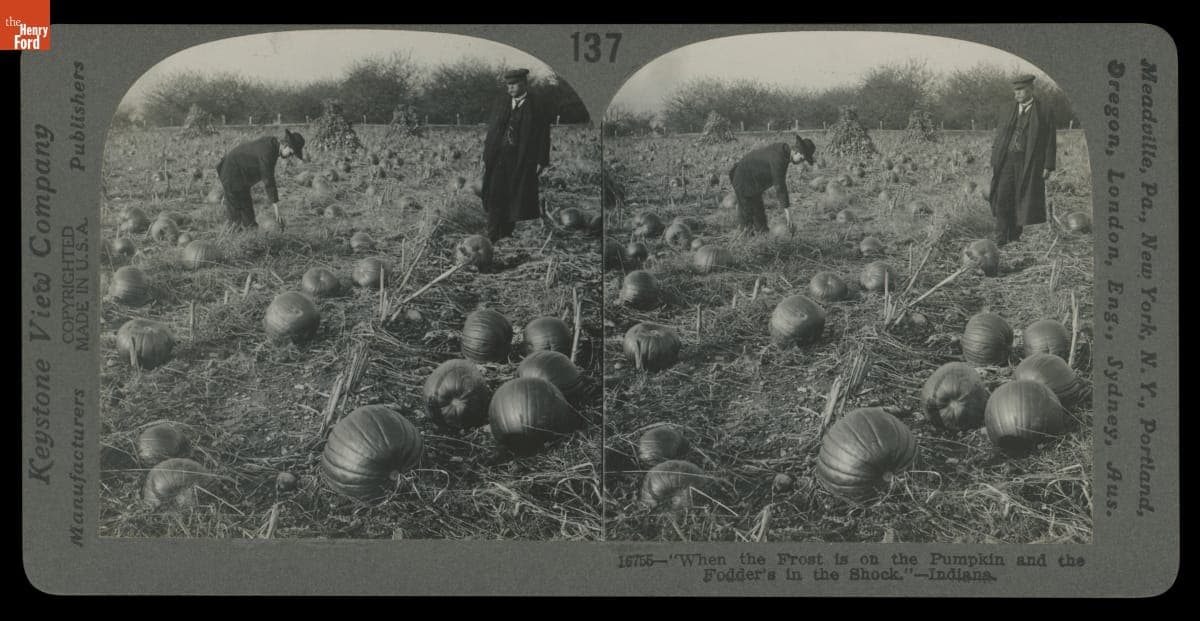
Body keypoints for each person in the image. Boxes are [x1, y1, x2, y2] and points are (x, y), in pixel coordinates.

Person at [481, 68, 551, 243]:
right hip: (498, 158)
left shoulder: (537, 105)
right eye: (508, 85)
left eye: (514, 85)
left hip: (522, 159)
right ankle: (492, 235)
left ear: (524, 84)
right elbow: (492, 132)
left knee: (513, 196)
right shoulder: (502, 103)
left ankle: (506, 234)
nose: (510, 89)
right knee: (495, 195)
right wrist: (486, 156)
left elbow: (544, 134)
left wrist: (542, 160)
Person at [988, 74, 1056, 246]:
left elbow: (1050, 140)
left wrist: (1048, 165)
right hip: (1006, 161)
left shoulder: (1044, 110)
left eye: (1020, 90)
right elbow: (999, 136)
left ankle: (1015, 236)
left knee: (1021, 198)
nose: (1016, 94)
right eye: (1015, 91)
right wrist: (994, 158)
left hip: (1030, 163)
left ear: (1031, 89)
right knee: (1002, 198)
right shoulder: (1007, 109)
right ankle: (1001, 237)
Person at [216, 129, 306, 229]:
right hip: (231, 172)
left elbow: (268, 176)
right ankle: (233, 235)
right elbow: (268, 179)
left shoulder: (273, 145)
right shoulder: (268, 151)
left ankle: (251, 231)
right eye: (291, 153)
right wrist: (277, 209)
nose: (290, 156)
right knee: (235, 211)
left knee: (247, 208)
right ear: (285, 145)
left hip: (242, 176)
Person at [728, 135, 816, 233]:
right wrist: (788, 215)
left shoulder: (784, 151)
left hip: (754, 182)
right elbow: (780, 186)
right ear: (796, 151)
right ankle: (745, 238)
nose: (801, 162)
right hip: (743, 178)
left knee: (759, 213)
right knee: (747, 213)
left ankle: (763, 236)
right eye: (802, 158)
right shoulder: (779, 158)